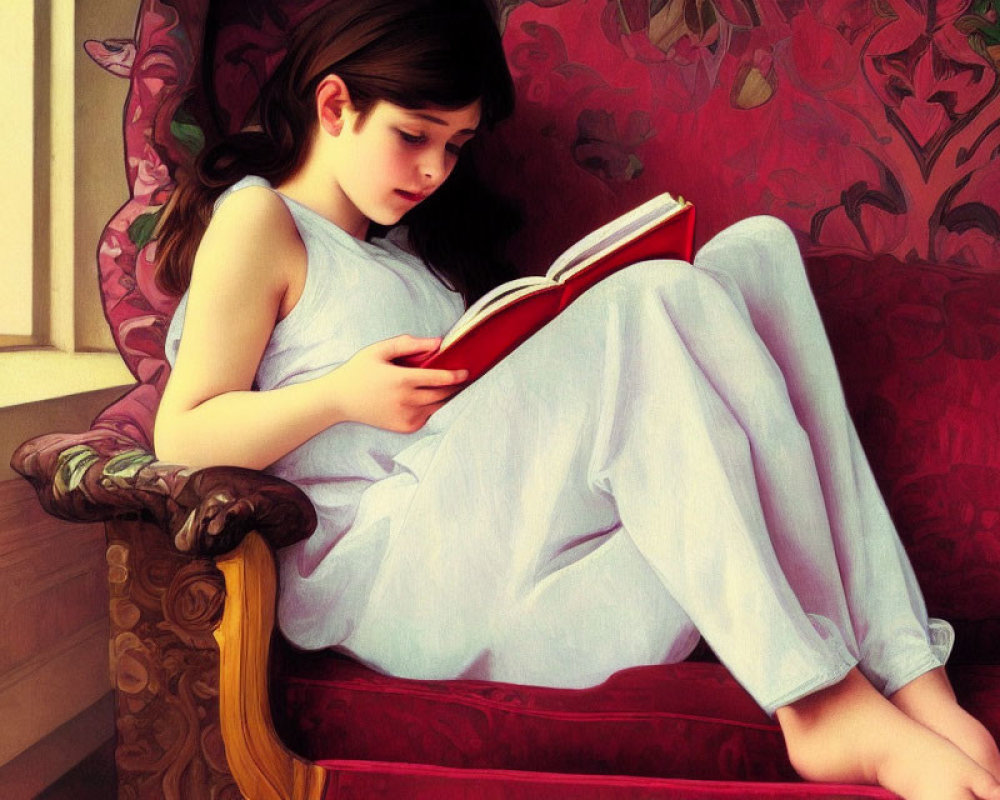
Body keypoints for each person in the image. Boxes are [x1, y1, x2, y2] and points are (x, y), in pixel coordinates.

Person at [152, 1, 1000, 797]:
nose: (434, 170)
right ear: (334, 104)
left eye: (454, 146)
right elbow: (182, 436)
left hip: (522, 586)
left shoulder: (411, 257)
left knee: (757, 254)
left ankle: (907, 670)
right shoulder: (263, 221)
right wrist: (341, 396)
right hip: (393, 588)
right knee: (649, 298)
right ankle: (816, 700)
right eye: (414, 136)